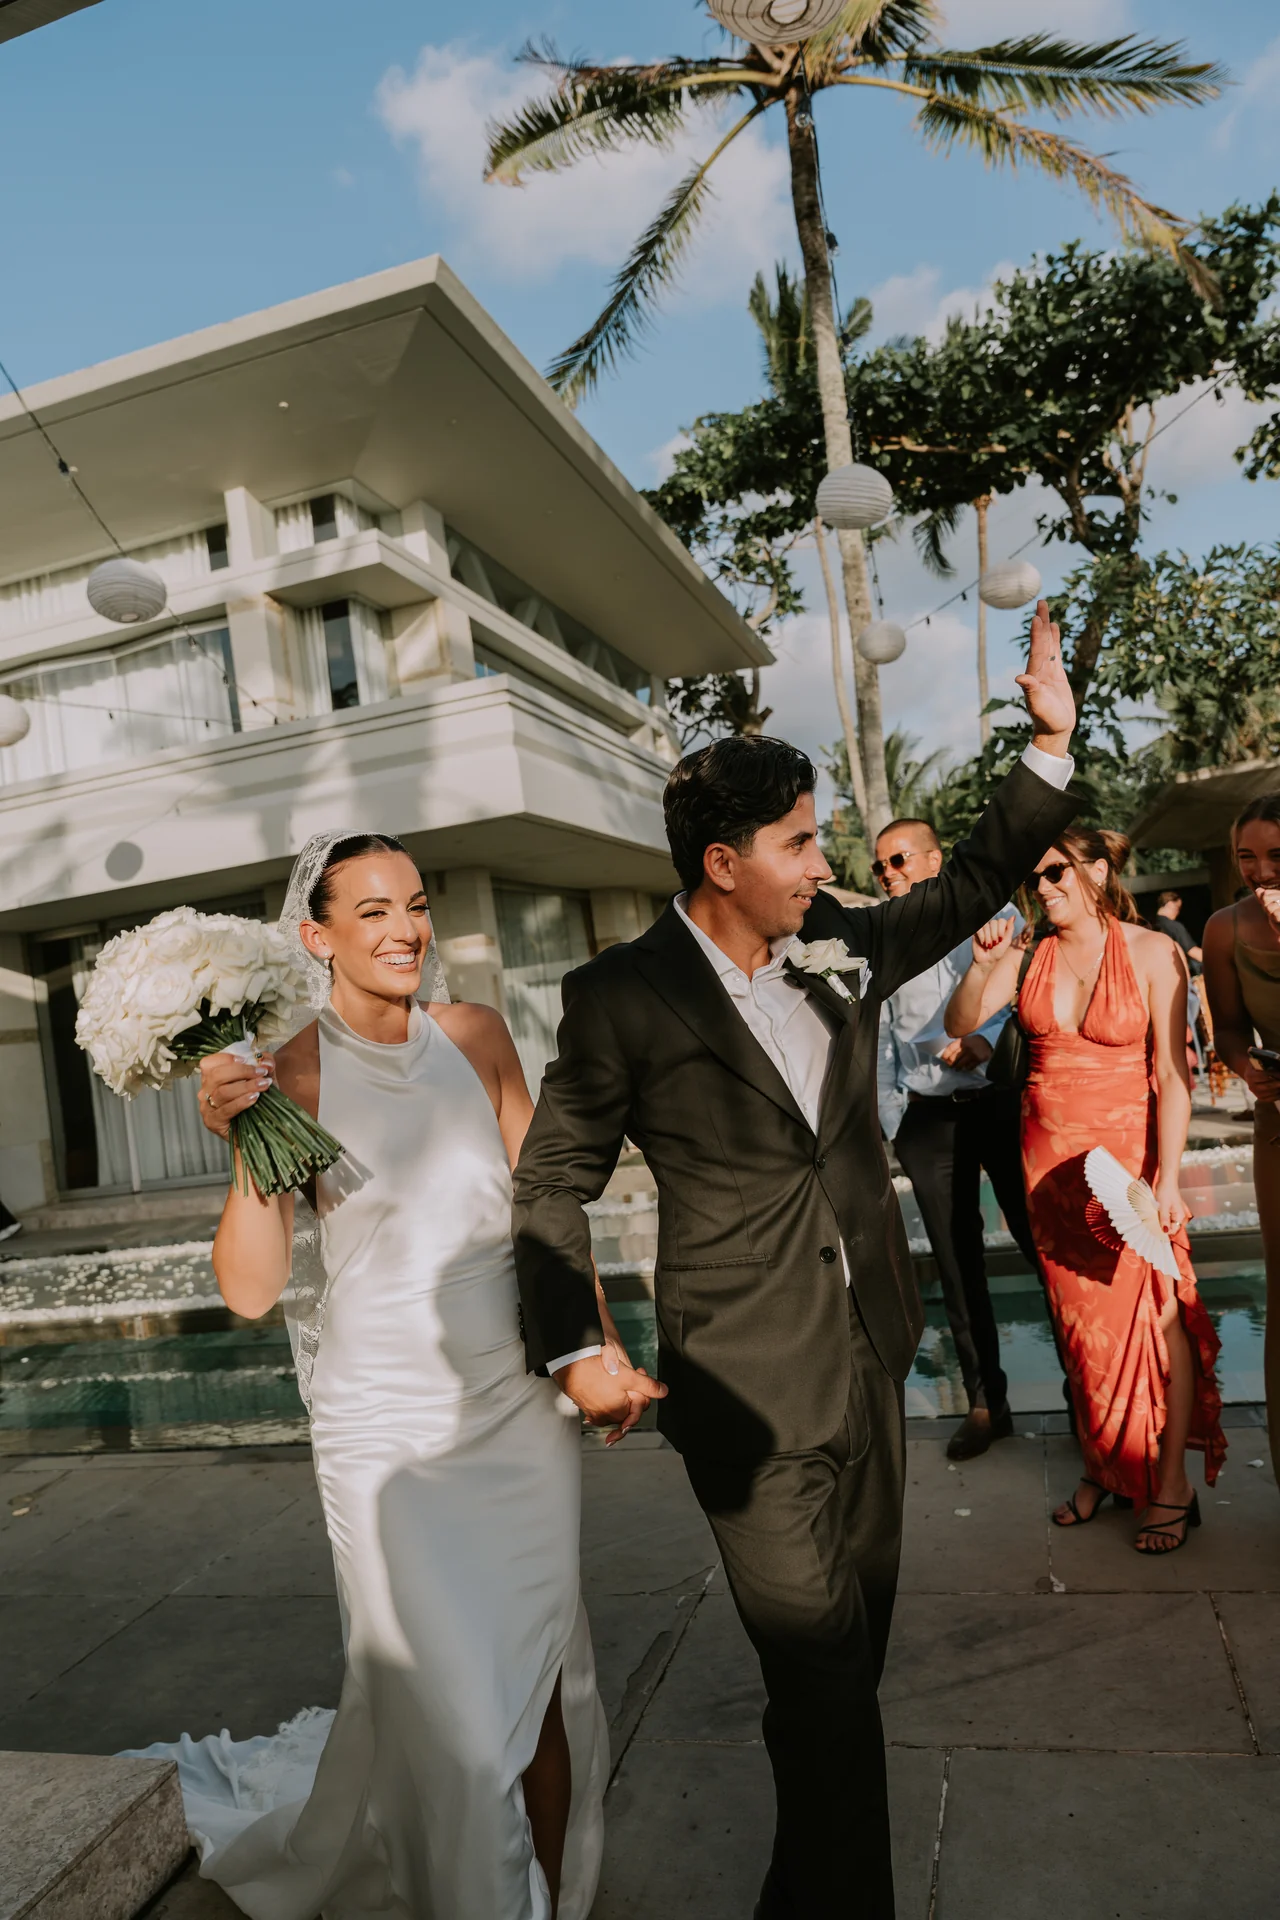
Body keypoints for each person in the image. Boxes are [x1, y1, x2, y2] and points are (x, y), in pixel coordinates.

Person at [512, 605, 1079, 1918]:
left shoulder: (836, 940)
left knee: (839, 1672)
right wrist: (575, 1345)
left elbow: (968, 884)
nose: (824, 864)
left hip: (873, 1353)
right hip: (744, 1390)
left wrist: (1047, 748)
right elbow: (549, 1181)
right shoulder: (620, 996)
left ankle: (795, 1892)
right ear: (721, 863)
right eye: (800, 843)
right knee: (823, 1679)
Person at [129, 832, 609, 1919]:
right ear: (318, 937)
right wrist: (246, 1140)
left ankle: (555, 1900)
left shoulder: (477, 1035)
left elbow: (547, 1208)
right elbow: (251, 1290)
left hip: (515, 1406)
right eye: (375, 911)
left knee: (535, 1684)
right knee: (453, 1717)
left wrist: (593, 1347)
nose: (406, 931)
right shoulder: (287, 1074)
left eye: (417, 905)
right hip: (382, 1423)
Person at [947, 828, 1226, 1554]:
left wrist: (1168, 1177)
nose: (1041, 887)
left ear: (1098, 872)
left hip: (1129, 1169)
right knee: (1082, 1337)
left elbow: (1173, 1076)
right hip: (1048, 1173)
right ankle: (1106, 1468)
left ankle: (1171, 1484)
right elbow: (959, 1023)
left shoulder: (1152, 951)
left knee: (1158, 1320)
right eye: (1032, 877)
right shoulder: (1029, 954)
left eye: (1055, 873)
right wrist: (983, 966)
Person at [874, 817, 1037, 1460]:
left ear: (935, 861)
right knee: (956, 1264)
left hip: (999, 1106)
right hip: (928, 1121)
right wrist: (894, 1124)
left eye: (899, 860)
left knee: (1039, 1245)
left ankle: (1087, 1391)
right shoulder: (885, 939)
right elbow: (880, 1038)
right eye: (880, 866)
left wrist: (986, 1041)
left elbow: (1027, 995)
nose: (888, 873)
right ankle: (985, 1403)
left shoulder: (997, 915)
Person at [1202, 794, 1280, 1488]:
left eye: (1277, 856)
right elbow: (1228, 1027)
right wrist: (1248, 1067)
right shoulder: (1224, 928)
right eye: (1246, 857)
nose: (1261, 872)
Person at [1156, 890, 1203, 974]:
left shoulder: (1150, 925)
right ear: (1170, 904)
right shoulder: (1174, 926)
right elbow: (1192, 951)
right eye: (1177, 908)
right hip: (1176, 973)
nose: (1178, 913)